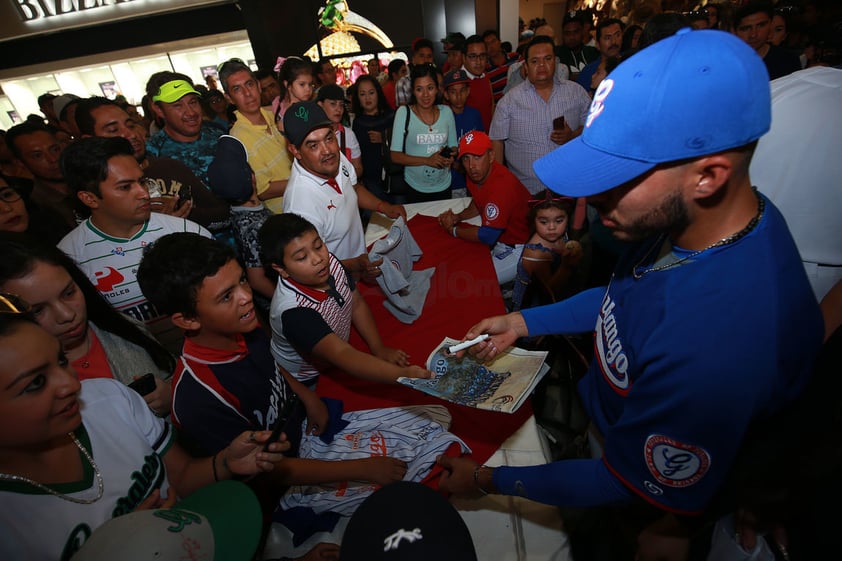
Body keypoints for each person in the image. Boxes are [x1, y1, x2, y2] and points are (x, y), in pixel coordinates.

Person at [437, 29, 823, 559]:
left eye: (616, 178)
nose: (593, 199)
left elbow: (621, 480)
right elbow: (624, 294)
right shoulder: (700, 221)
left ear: (708, 175)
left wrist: (486, 481)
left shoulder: (717, 347)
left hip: (631, 485)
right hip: (610, 426)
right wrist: (523, 323)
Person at [0, 302, 286, 560]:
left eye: (61, 360)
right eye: (35, 383)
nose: (71, 385)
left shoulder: (109, 399)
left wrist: (225, 462)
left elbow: (182, 476)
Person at [57, 137, 211, 354]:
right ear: (89, 198)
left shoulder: (188, 232)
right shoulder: (70, 258)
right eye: (125, 187)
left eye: (141, 181)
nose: (143, 193)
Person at [0, 232, 175, 415]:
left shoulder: (124, 328)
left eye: (68, 293)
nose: (66, 315)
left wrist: (172, 395)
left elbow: (173, 371)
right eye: (38, 310)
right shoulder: (13, 384)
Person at [259, 213, 431, 388]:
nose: (318, 259)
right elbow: (342, 354)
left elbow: (356, 304)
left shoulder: (329, 264)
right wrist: (403, 375)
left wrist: (378, 348)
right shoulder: (295, 313)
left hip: (332, 352)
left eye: (318, 246)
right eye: (302, 257)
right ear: (281, 269)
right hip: (307, 377)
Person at [74, 96, 234, 243]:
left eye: (130, 125)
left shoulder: (170, 167)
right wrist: (155, 224)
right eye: (113, 130)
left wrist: (183, 216)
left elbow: (225, 216)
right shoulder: (91, 194)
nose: (130, 134)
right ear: (90, 140)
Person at [282, 101, 404, 281]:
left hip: (361, 266)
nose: (327, 150)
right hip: (337, 284)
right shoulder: (300, 204)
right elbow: (312, 265)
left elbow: (353, 188)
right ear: (295, 151)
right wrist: (356, 265)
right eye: (313, 145)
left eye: (329, 138)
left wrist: (383, 206)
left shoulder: (335, 158)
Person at [490, 35, 591, 196]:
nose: (542, 65)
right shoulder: (509, 101)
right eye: (535, 61)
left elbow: (593, 129)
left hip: (569, 186)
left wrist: (572, 135)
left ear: (556, 62)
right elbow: (497, 141)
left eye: (547, 59)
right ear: (526, 66)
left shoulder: (576, 93)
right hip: (525, 191)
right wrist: (499, 185)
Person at [437, 131, 530, 285]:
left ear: (491, 156)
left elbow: (488, 235)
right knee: (461, 261)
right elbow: (479, 201)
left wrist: (453, 230)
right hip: (502, 240)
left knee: (474, 280)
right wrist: (458, 217)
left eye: (477, 157)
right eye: (466, 158)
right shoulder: (477, 174)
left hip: (520, 248)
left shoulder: (501, 187)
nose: (471, 165)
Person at [205, 135, 276, 304]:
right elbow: (257, 280)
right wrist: (291, 300)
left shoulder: (244, 210)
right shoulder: (250, 225)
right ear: (252, 178)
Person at [218, 58, 291, 214]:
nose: (247, 93)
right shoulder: (238, 139)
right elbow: (263, 190)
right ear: (229, 98)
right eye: (237, 89)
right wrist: (307, 179)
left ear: (258, 86)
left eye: (249, 84)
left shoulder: (275, 115)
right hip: (286, 214)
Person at [389, 64, 457, 203]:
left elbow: (454, 146)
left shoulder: (447, 112)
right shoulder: (403, 113)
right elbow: (395, 156)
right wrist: (427, 160)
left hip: (444, 185)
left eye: (430, 88)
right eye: (419, 89)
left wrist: (450, 156)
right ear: (413, 91)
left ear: (437, 89)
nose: (425, 95)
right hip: (414, 188)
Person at [145, 72, 226, 186]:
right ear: (159, 109)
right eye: (177, 105)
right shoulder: (152, 153)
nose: (191, 112)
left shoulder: (219, 136)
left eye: (193, 102)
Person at [511, 193, 584, 312]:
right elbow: (549, 291)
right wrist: (566, 266)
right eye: (543, 222)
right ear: (534, 221)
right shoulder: (536, 253)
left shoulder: (561, 235)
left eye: (559, 220)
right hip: (534, 308)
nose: (552, 227)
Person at [349, 74, 395, 202]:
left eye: (371, 93)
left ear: (378, 93)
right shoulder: (357, 122)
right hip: (371, 182)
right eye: (362, 94)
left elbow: (405, 143)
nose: (367, 98)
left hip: (395, 179)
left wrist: (384, 138)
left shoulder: (392, 116)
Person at [441, 69, 483, 198]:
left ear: (468, 91)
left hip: (473, 179)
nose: (458, 96)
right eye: (453, 92)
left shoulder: (474, 114)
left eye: (462, 90)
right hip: (450, 181)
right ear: (446, 95)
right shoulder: (441, 117)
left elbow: (481, 147)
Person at [734, 1, 801, 80]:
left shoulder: (788, 60)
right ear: (734, 31)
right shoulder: (725, 63)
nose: (753, 34)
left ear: (770, 25)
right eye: (745, 28)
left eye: (761, 25)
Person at [317, 84, 363, 177]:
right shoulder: (312, 135)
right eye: (333, 104)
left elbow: (358, 168)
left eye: (341, 105)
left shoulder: (348, 134)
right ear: (320, 105)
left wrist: (346, 178)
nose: (338, 109)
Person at [274, 56, 316, 134]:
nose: (308, 89)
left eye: (310, 84)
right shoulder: (278, 103)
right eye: (302, 84)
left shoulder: (310, 108)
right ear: (287, 85)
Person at [395, 38, 435, 107]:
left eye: (429, 56)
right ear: (413, 59)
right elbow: (403, 111)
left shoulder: (438, 78)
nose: (426, 60)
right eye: (422, 56)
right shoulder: (403, 83)